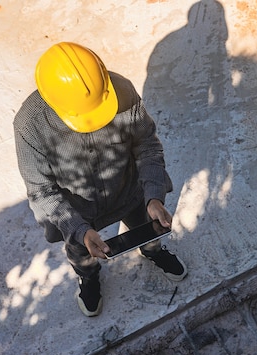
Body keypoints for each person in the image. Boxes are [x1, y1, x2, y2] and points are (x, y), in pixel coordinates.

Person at [14, 42, 187, 317]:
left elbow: (146, 145)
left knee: (148, 225)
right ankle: (89, 275)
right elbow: (41, 191)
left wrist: (153, 194)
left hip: (129, 190)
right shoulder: (29, 126)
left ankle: (152, 249)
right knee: (81, 250)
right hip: (77, 211)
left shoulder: (122, 90)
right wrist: (79, 229)